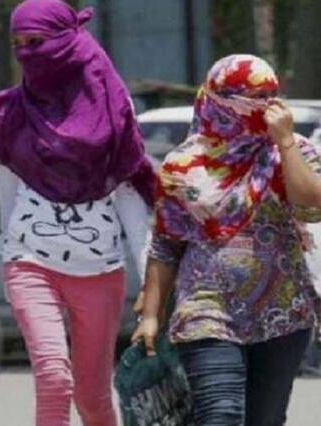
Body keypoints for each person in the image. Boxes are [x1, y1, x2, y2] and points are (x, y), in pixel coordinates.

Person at [0, 1, 156, 425]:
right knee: (54, 379)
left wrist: (150, 281)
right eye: (18, 43)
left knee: (93, 399)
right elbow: (7, 195)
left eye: (37, 41)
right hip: (29, 262)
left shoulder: (112, 106)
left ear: (67, 41)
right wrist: (11, 252)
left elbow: (130, 195)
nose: (27, 52)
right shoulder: (8, 112)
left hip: (100, 269)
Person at [133, 54, 321, 425]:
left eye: (270, 95)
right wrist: (151, 316)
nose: (264, 105)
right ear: (218, 99)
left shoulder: (293, 151)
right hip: (206, 308)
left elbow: (311, 204)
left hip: (282, 312)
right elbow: (166, 244)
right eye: (253, 97)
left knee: (264, 419)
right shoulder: (183, 164)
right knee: (220, 415)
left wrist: (284, 141)